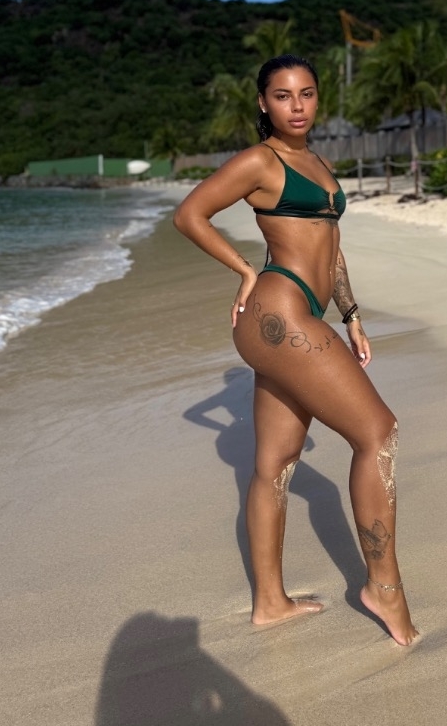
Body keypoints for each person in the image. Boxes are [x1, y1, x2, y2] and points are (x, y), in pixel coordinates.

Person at [173, 54, 418, 646]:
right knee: (378, 433)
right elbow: (190, 214)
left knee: (275, 463)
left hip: (303, 311)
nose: (297, 105)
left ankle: (269, 603)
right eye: (283, 96)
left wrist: (351, 314)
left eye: (306, 93)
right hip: (279, 311)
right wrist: (244, 270)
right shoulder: (261, 160)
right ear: (263, 103)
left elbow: (330, 244)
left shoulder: (318, 161)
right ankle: (383, 587)